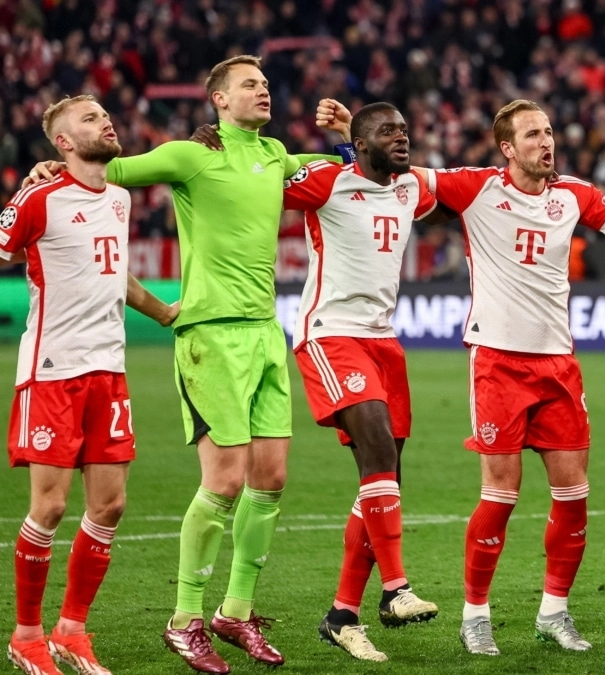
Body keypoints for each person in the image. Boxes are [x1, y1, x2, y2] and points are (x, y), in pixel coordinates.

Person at [26, 55, 352, 673]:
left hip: (264, 333)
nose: (263, 91)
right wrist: (51, 163)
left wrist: (341, 138)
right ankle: (184, 620)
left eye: (265, 83)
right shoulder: (189, 156)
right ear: (219, 101)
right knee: (225, 482)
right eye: (249, 85)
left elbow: (342, 168)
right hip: (208, 336)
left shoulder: (276, 154)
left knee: (271, 479)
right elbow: (103, 166)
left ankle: (235, 610)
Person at [418, 99, 605, 656]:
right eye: (532, 135)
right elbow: (402, 173)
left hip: (557, 363)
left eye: (550, 131)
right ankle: (475, 615)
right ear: (507, 147)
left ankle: (554, 612)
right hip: (498, 362)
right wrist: (348, 140)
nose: (546, 142)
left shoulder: (573, 194)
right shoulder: (477, 187)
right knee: (501, 494)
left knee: (574, 496)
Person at [3, 95, 176, 675]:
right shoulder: (39, 197)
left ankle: (71, 630)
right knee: (49, 507)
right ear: (63, 143)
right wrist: (24, 186)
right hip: (53, 371)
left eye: (106, 114)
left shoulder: (121, 200)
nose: (106, 121)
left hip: (109, 371)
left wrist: (164, 312)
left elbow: (114, 274)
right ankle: (26, 635)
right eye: (89, 119)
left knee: (111, 504)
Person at [281, 102, 442, 661]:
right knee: (376, 449)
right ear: (359, 141)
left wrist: (357, 133)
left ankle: (343, 613)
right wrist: (218, 146)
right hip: (331, 333)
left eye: (404, 128)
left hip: (383, 340)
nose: (401, 137)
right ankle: (396, 589)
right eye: (387, 131)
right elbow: (254, 187)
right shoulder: (325, 182)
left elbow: (438, 193)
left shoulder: (411, 190)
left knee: (386, 477)